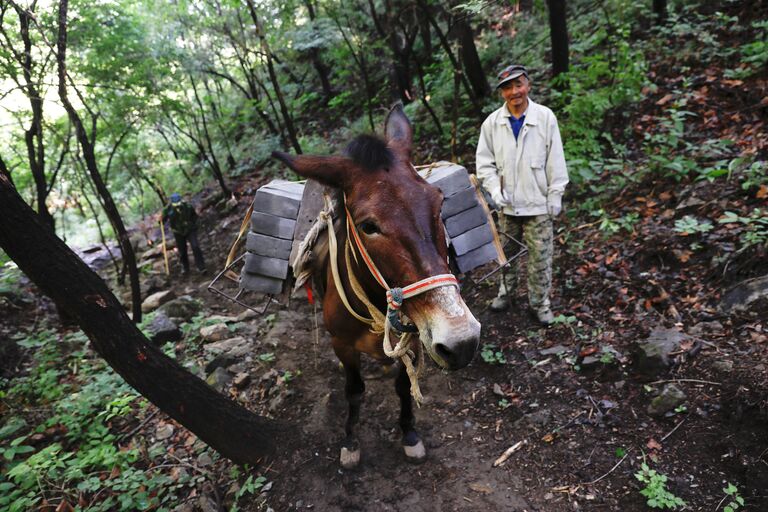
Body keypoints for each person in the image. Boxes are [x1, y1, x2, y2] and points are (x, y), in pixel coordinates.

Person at [475, 64, 569, 325]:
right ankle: (506, 294)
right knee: (506, 256)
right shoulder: (492, 123)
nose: (514, 92)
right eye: (507, 87)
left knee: (541, 258)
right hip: (508, 206)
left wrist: (555, 194)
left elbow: (555, 158)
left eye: (518, 85)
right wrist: (494, 189)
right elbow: (484, 164)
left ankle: (540, 304)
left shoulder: (545, 117)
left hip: (538, 204)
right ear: (502, 92)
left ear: (528, 86)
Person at [162, 193, 206, 275]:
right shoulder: (167, 210)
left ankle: (201, 267)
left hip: (190, 229)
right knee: (182, 250)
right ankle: (185, 268)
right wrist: (160, 219)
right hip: (178, 232)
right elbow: (162, 221)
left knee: (195, 246)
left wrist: (193, 225)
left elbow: (194, 216)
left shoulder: (188, 207)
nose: (177, 206)